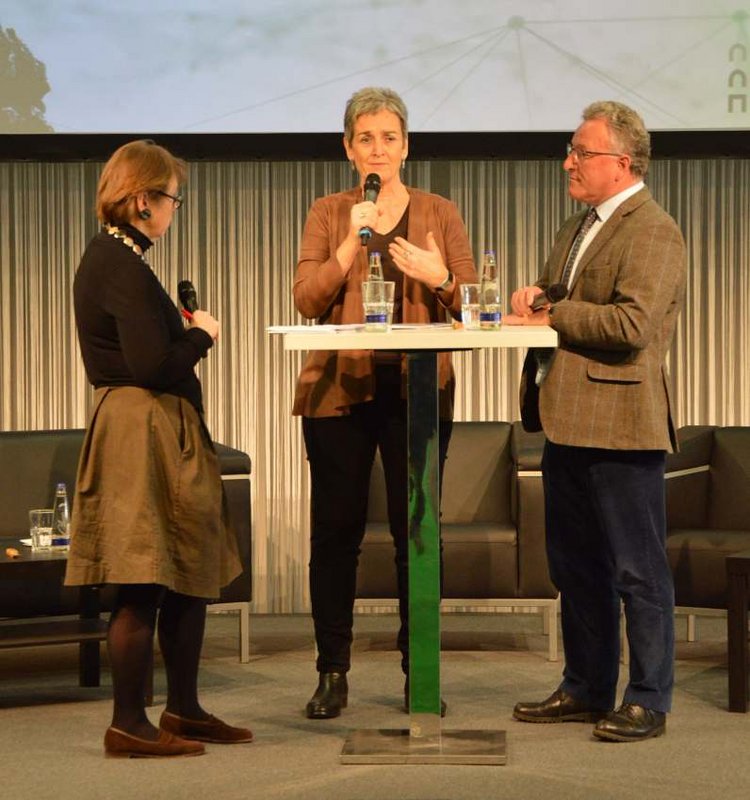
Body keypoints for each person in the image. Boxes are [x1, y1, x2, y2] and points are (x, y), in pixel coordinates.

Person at [293, 86, 478, 719]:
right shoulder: (328, 211)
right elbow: (307, 299)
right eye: (365, 138)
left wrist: (440, 277)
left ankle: (417, 668)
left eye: (389, 138)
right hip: (339, 391)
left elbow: (473, 304)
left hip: (417, 392)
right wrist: (351, 242)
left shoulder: (439, 212)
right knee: (336, 533)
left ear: (407, 146)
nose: (378, 149)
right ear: (349, 148)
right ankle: (331, 672)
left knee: (416, 535)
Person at [504, 101, 687, 742]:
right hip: (567, 421)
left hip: (622, 423)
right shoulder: (580, 225)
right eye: (572, 151)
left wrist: (552, 313)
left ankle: (648, 697)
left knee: (637, 570)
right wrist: (536, 294)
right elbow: (563, 297)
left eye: (581, 153)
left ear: (623, 162)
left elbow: (631, 324)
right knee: (576, 567)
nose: (569, 163)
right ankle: (585, 686)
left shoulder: (653, 230)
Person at [64, 139, 253, 758]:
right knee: (143, 576)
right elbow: (150, 364)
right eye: (172, 198)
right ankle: (128, 721)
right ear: (143, 200)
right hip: (140, 428)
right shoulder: (117, 264)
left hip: (160, 427)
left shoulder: (122, 259)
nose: (175, 210)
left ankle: (184, 708)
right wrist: (201, 334)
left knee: (188, 573)